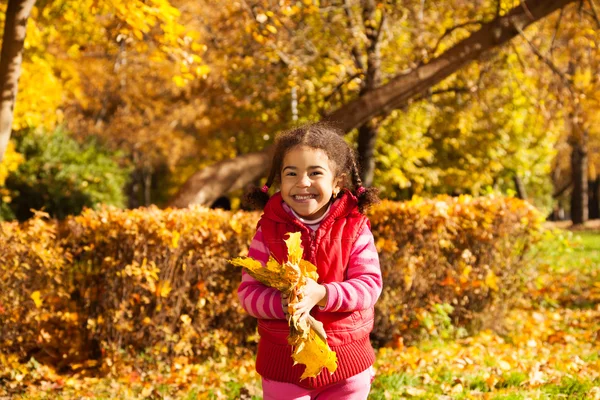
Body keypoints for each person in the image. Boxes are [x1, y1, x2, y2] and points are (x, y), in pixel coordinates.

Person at [237, 122, 383, 399]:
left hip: (346, 364)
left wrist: (323, 293)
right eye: (291, 174)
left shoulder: (354, 228)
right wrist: (279, 304)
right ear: (280, 180)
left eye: (315, 173)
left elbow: (369, 286)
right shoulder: (268, 230)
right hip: (285, 365)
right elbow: (248, 292)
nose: (302, 182)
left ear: (337, 181)